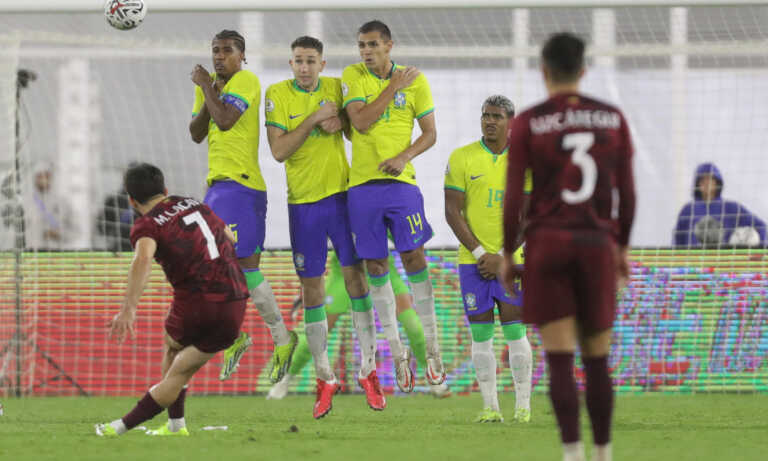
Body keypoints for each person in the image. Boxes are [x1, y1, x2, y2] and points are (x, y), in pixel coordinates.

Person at [502, 33, 636, 461]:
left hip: (548, 245)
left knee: (559, 359)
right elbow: (626, 193)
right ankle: (603, 453)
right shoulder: (612, 118)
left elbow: (512, 197)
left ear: (543, 70)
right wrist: (622, 246)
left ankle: (572, 453)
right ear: (583, 70)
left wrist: (508, 251)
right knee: (596, 358)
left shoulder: (527, 121)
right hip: (596, 244)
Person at [263, 36, 381, 418]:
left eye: (311, 61)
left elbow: (354, 129)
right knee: (311, 289)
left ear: (322, 64)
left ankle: (369, 370)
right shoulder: (277, 94)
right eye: (298, 60)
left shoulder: (335, 86)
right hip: (303, 205)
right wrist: (314, 119)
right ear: (291, 62)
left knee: (357, 281)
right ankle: (324, 377)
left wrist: (342, 120)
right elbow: (279, 151)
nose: (304, 67)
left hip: (342, 199)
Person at [95, 163, 249, 437]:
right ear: (165, 190)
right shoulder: (191, 203)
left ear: (131, 201)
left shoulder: (146, 224)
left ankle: (118, 428)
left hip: (199, 300)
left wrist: (128, 310)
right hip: (235, 297)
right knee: (174, 346)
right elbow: (228, 237)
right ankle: (176, 425)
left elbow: (142, 259)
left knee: (177, 370)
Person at [189, 29, 297, 383]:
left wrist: (207, 86)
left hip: (240, 185)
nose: (219, 57)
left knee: (237, 268)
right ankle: (254, 338)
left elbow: (225, 120)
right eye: (215, 50)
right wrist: (207, 90)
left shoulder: (247, 80)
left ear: (242, 56)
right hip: (218, 187)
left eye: (227, 51)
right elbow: (196, 131)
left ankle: (264, 339)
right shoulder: (209, 88)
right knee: (225, 268)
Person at [342, 20, 444, 392]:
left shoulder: (415, 80)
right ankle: (398, 353)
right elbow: (361, 122)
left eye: (372, 45)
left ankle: (433, 349)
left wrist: (404, 156)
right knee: (375, 265)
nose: (365, 52)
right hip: (363, 186)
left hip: (401, 184)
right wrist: (392, 88)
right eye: (361, 46)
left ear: (389, 45)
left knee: (414, 256)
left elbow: (431, 133)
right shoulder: (352, 75)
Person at [444, 95, 533, 423]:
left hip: (511, 262)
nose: (489, 121)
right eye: (485, 115)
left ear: (511, 122)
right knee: (480, 335)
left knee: (515, 332)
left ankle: (523, 406)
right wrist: (483, 254)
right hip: (473, 263)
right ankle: (490, 408)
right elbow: (452, 212)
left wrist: (505, 256)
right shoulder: (462, 157)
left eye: (496, 116)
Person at [266, 252, 451, 401]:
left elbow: (402, 232)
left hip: (382, 270)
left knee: (413, 325)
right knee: (317, 332)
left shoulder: (379, 205)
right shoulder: (337, 206)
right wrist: (308, 285)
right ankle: (285, 379)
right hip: (344, 273)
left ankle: (434, 378)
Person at [673, 162, 766, 247]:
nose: (706, 184)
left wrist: (759, 253)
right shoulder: (688, 210)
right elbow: (678, 239)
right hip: (694, 261)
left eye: (710, 180)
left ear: (717, 183)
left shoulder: (731, 208)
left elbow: (760, 226)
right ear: (697, 184)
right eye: (702, 180)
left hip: (723, 262)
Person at [22, 162, 77, 250]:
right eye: (40, 176)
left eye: (47, 176)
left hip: (56, 253)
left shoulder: (62, 202)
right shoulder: (25, 202)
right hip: (31, 252)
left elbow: (75, 231)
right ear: (34, 178)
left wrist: (58, 234)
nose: (44, 179)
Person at [96, 183, 134, 252]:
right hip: (120, 247)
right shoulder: (113, 201)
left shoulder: (148, 201)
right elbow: (102, 224)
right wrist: (109, 235)